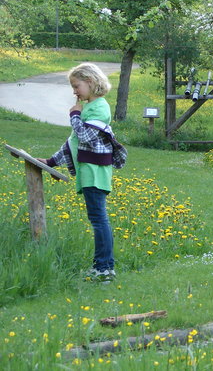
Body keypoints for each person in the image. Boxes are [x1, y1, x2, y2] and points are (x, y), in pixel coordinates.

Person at [39, 63, 116, 283]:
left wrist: (74, 115)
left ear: (90, 81)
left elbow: (85, 137)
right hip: (88, 172)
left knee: (99, 220)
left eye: (76, 86)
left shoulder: (99, 108)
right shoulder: (90, 107)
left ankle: (103, 268)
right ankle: (104, 267)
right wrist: (52, 161)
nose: (74, 92)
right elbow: (74, 143)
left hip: (95, 173)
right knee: (98, 219)